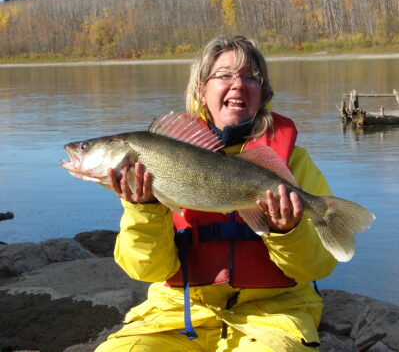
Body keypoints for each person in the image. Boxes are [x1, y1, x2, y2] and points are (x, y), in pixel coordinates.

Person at [95, 35, 337, 352]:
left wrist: (288, 231)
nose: (238, 85)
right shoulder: (153, 163)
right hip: (177, 314)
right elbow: (146, 270)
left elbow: (316, 268)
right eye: (224, 75)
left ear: (263, 93)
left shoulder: (292, 163)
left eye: (250, 77)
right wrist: (145, 209)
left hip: (272, 317)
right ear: (201, 91)